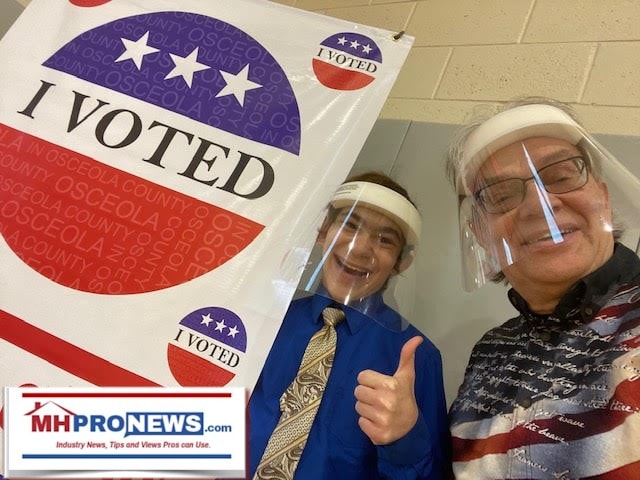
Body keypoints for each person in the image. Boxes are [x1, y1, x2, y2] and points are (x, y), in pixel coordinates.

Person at [445, 97, 640, 479]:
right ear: (480, 234)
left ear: (603, 197)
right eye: (500, 195)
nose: (540, 205)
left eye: (561, 176)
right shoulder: (490, 351)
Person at [249, 171, 450, 479]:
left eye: (385, 240)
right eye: (349, 225)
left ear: (402, 262)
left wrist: (405, 439)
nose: (359, 248)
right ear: (323, 231)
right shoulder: (268, 318)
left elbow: (430, 474)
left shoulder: (416, 359)